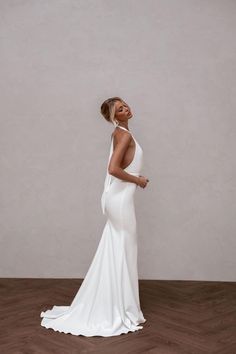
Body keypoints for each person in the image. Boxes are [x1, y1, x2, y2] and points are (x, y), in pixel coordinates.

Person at [40, 96, 149, 337]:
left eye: (125, 104)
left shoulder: (121, 133)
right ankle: (121, 309)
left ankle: (118, 303)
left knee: (117, 249)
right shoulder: (124, 135)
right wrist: (138, 180)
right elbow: (113, 169)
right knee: (124, 250)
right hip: (120, 201)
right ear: (114, 117)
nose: (126, 108)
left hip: (117, 199)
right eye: (119, 109)